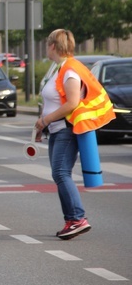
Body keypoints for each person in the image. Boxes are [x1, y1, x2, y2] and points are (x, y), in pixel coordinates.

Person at [33, 29, 100, 240]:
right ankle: (71, 220)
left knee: (61, 173)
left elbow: (72, 103)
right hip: (56, 129)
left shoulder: (70, 70)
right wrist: (42, 126)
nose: (46, 48)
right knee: (59, 173)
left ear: (53, 46)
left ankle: (78, 219)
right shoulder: (60, 68)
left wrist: (45, 120)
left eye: (47, 44)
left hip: (66, 129)